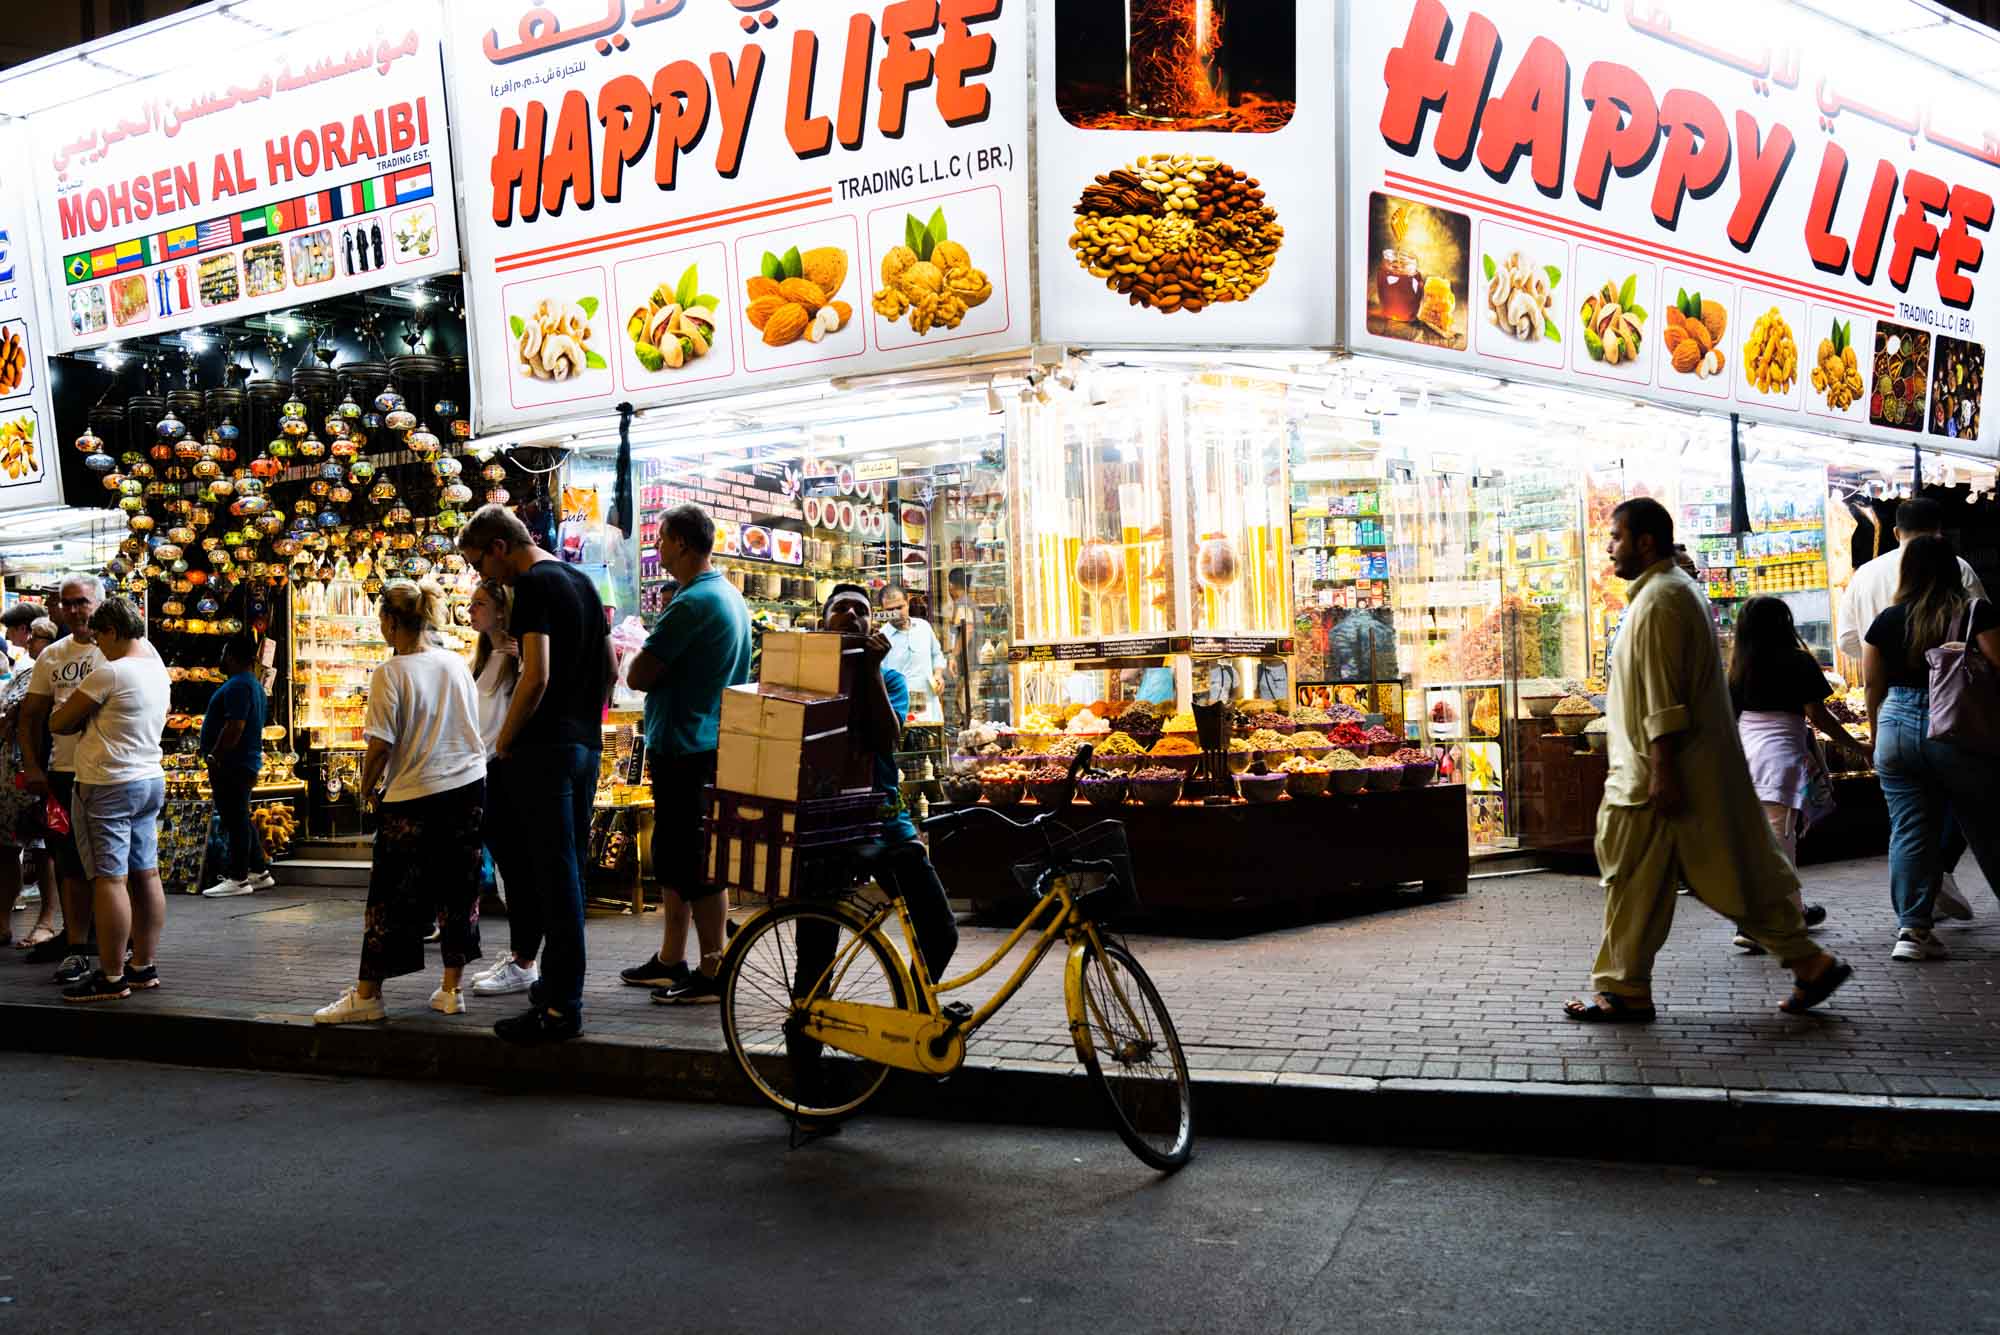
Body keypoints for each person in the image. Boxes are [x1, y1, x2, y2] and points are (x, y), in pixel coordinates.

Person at [1565, 498, 1851, 1022]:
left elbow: (1664, 701)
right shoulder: (1667, 594)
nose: (1609, 548)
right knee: (1725, 872)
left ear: (1645, 541)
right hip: (1670, 771)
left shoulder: (1661, 601)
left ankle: (1626, 990)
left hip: (1659, 777)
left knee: (1646, 880)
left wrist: (1663, 771)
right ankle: (1809, 963)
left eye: (1616, 537)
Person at [457, 504, 611, 1044]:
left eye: (480, 564)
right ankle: (554, 993)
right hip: (583, 745)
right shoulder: (581, 583)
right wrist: (585, 724)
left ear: (499, 547)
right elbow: (610, 668)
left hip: (546, 750)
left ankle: (561, 1006)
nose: (483, 576)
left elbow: (536, 675)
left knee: (556, 877)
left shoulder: (533, 586)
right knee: (568, 872)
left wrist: (504, 740)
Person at [314, 581, 489, 1024]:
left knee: (391, 896)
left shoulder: (391, 672)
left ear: (391, 623)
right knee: (458, 889)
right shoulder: (455, 663)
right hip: (468, 787)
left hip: (415, 793)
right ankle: (452, 990)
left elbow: (379, 746)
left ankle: (368, 994)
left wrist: (364, 788)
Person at [620, 504, 753, 1004]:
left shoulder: (693, 603)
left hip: (690, 746)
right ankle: (671, 958)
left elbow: (638, 675)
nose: (657, 547)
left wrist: (637, 657)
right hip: (699, 742)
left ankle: (713, 968)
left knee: (697, 860)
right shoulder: (726, 596)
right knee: (677, 857)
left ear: (680, 542)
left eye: (661, 538)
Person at [1839, 496, 1987, 920]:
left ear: (1896, 531)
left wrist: (1874, 722)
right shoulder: (1959, 568)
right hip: (1952, 710)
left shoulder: (1867, 576)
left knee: (1907, 825)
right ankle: (1939, 871)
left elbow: (1852, 644)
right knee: (1970, 807)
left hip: (1893, 712)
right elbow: (1979, 632)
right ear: (1939, 530)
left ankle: (1911, 926)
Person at [1862, 536, 2000, 962]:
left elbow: (1872, 685)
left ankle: (1913, 931)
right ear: (1952, 570)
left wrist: (1874, 735)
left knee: (1908, 829)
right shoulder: (1975, 612)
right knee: (1988, 824)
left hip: (1895, 728)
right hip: (1958, 730)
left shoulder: (1886, 620)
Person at [1726, 597, 1871, 951]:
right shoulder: (1797, 661)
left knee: (1762, 845)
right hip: (1779, 761)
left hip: (1745, 761)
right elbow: (1818, 716)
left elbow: (1728, 720)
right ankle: (1767, 925)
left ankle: (1786, 914)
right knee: (1779, 845)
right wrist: (1859, 747)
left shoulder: (1737, 667)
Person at [47, 597, 168, 1002]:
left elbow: (58, 722)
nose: (97, 645)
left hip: (108, 782)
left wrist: (71, 708)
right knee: (146, 874)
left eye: (99, 636)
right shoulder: (157, 670)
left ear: (114, 631)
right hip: (149, 778)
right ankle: (143, 965)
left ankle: (112, 975)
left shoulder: (111, 674)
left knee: (109, 878)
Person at [20, 576, 106, 977]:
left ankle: (115, 942)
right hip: (63, 774)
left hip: (110, 777)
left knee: (113, 867)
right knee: (68, 862)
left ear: (99, 603)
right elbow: (32, 715)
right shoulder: (52, 655)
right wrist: (34, 766)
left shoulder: (120, 650)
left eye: (81, 602)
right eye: (67, 603)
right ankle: (75, 942)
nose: (73, 610)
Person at [463, 580, 537, 998]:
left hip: (505, 773)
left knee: (518, 871)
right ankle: (520, 956)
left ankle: (524, 960)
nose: (471, 611)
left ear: (501, 610)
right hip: (484, 771)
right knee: (510, 871)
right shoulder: (486, 658)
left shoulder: (517, 659)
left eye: (480, 604)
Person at [197, 635, 273, 899]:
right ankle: (259, 870)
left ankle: (238, 876)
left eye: (224, 652)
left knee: (235, 818)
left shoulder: (240, 686)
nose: (221, 658)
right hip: (242, 762)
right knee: (239, 815)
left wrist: (216, 756)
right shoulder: (250, 685)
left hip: (233, 763)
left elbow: (235, 725)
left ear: (231, 655)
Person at [0, 609, 57, 948]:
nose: (26, 642)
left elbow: (19, 719)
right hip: (10, 774)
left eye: (36, 637)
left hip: (35, 771)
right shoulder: (23, 672)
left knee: (44, 849)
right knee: (7, 848)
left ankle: (47, 920)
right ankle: (3, 920)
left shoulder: (45, 673)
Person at [877, 585, 947, 727]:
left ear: (907, 603)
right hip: (900, 710)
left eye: (900, 607)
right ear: (883, 611)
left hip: (929, 705)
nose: (897, 613)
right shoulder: (881, 638)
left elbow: (936, 654)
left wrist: (938, 674)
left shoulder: (924, 627)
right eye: (890, 610)